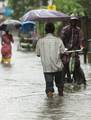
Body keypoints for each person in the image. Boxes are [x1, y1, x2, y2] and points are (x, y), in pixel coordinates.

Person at [36, 22, 65, 97]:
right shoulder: (58, 40)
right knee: (60, 86)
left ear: (45, 30)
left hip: (47, 67)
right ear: (54, 30)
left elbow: (38, 54)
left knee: (49, 88)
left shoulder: (40, 41)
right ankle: (60, 103)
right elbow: (63, 52)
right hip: (58, 67)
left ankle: (50, 105)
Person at [60, 15, 86, 85]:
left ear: (76, 21)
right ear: (70, 21)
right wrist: (63, 48)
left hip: (74, 50)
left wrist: (81, 46)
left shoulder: (78, 30)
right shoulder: (65, 29)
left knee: (77, 63)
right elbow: (61, 39)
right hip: (66, 50)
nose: (73, 22)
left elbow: (81, 39)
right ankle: (61, 80)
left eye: (75, 20)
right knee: (64, 63)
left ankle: (82, 79)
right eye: (72, 20)